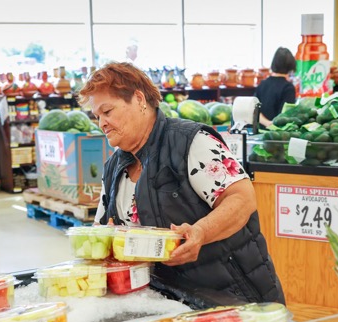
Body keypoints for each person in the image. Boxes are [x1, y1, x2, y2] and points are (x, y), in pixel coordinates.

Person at [79, 62, 285, 304]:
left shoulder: (190, 142)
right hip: (170, 302)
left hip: (234, 297)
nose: (101, 123)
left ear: (138, 99)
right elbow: (102, 229)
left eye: (108, 111)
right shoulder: (115, 167)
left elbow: (242, 198)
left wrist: (200, 232)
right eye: (97, 116)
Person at [254, 47, 297, 128]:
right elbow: (286, 115)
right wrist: (272, 125)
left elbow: (254, 109)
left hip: (259, 133)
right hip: (278, 134)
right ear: (291, 65)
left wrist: (267, 123)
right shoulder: (288, 88)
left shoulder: (262, 84)